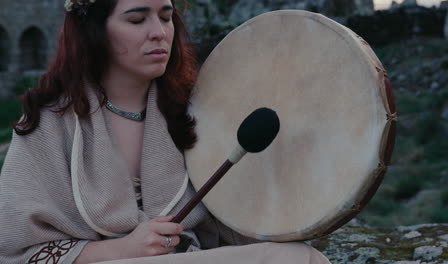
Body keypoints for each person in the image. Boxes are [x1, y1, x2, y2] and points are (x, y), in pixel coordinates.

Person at [0, 0, 331, 263]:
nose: (159, 32)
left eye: (166, 16)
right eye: (137, 19)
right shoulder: (51, 121)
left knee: (296, 257)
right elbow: (20, 252)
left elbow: (239, 219)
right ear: (95, 30)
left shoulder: (194, 112)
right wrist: (121, 250)